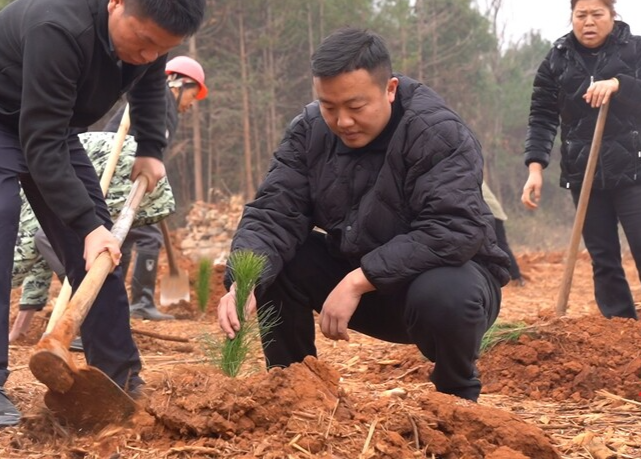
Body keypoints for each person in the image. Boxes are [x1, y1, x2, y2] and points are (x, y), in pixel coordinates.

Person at [0, 0, 206, 427]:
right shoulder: (59, 27)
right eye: (142, 42)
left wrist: (150, 147)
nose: (147, 56)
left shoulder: (149, 32)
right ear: (116, 3)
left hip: (50, 126)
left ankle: (119, 377)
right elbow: (38, 143)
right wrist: (85, 225)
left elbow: (147, 86)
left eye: (159, 49)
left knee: (99, 247)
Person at [217, 27, 510, 402]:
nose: (342, 122)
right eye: (329, 107)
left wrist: (361, 279)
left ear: (389, 89)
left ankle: (456, 395)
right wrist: (244, 281)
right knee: (275, 264)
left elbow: (453, 229)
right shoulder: (309, 132)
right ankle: (293, 391)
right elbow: (274, 212)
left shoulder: (436, 132)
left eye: (356, 107)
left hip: (438, 290)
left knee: (446, 292)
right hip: (361, 281)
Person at [522, 0, 641, 320]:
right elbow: (542, 116)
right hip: (582, 173)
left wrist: (620, 84)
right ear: (572, 18)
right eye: (581, 15)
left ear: (612, 16)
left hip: (634, 170)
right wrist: (535, 166)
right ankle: (619, 327)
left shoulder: (635, 50)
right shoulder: (557, 59)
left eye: (597, 14)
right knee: (603, 258)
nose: (589, 22)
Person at [8, 130, 177, 342]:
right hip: (141, 167)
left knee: (86, 249)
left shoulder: (25, 193)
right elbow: (38, 263)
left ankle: (96, 326)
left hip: (127, 170)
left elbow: (20, 257)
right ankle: (110, 326)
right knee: (88, 246)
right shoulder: (24, 184)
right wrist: (18, 331)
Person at [106, 55, 208, 320]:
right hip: (123, 173)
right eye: (192, 95)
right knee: (149, 237)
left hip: (118, 170)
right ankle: (141, 303)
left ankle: (114, 304)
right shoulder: (161, 101)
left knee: (125, 238)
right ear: (178, 83)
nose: (190, 105)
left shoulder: (158, 99)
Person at [481, 181, 525, 285]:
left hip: (490, 212)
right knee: (496, 245)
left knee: (499, 245)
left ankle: (516, 277)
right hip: (488, 211)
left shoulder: (462, 170)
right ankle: (514, 276)